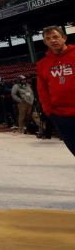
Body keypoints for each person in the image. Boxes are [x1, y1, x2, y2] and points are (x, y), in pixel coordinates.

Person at [36, 26, 75, 155]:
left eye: (55, 37)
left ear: (64, 38)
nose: (52, 40)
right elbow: (42, 90)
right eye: (48, 38)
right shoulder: (42, 64)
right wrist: (49, 111)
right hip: (60, 115)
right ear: (45, 42)